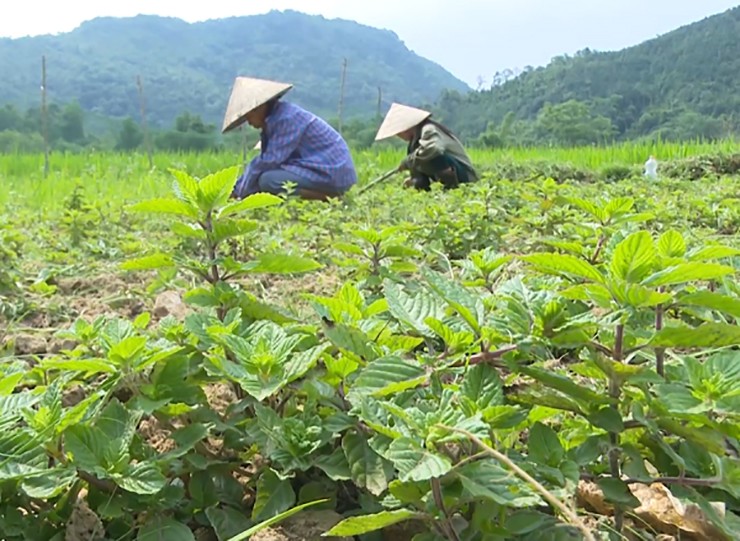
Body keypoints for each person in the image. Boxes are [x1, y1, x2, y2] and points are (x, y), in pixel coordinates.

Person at [222, 77, 357, 200]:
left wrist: (239, 193)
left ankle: (329, 198)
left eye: (248, 116)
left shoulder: (285, 119)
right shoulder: (275, 121)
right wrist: (236, 188)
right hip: (318, 170)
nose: (249, 122)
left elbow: (268, 162)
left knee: (268, 181)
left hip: (332, 173)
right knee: (262, 179)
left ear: (259, 107)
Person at [374, 103, 478, 191]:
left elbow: (434, 149)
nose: (399, 136)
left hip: (465, 175)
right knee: (419, 160)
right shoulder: (413, 146)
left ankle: (452, 189)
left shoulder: (428, 129)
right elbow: (418, 174)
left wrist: (407, 162)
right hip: (444, 173)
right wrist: (412, 182)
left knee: (431, 157)